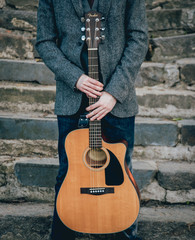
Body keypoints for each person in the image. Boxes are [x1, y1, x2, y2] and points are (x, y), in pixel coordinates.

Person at [35, 0, 148, 239]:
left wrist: (114, 93)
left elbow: (138, 39)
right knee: (67, 174)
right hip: (71, 97)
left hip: (118, 101)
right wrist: (74, 78)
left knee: (119, 174)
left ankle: (122, 230)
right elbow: (44, 41)